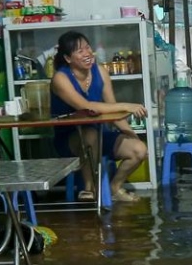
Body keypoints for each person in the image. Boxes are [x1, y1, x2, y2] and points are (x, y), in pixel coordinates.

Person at [48, 30, 148, 200]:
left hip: (100, 135)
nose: (87, 53)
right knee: (90, 135)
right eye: (80, 51)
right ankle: (89, 187)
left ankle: (115, 188)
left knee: (139, 149)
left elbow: (112, 110)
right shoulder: (60, 79)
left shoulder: (100, 72)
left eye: (87, 48)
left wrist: (132, 135)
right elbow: (87, 107)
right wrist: (127, 105)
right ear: (68, 58)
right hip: (70, 139)